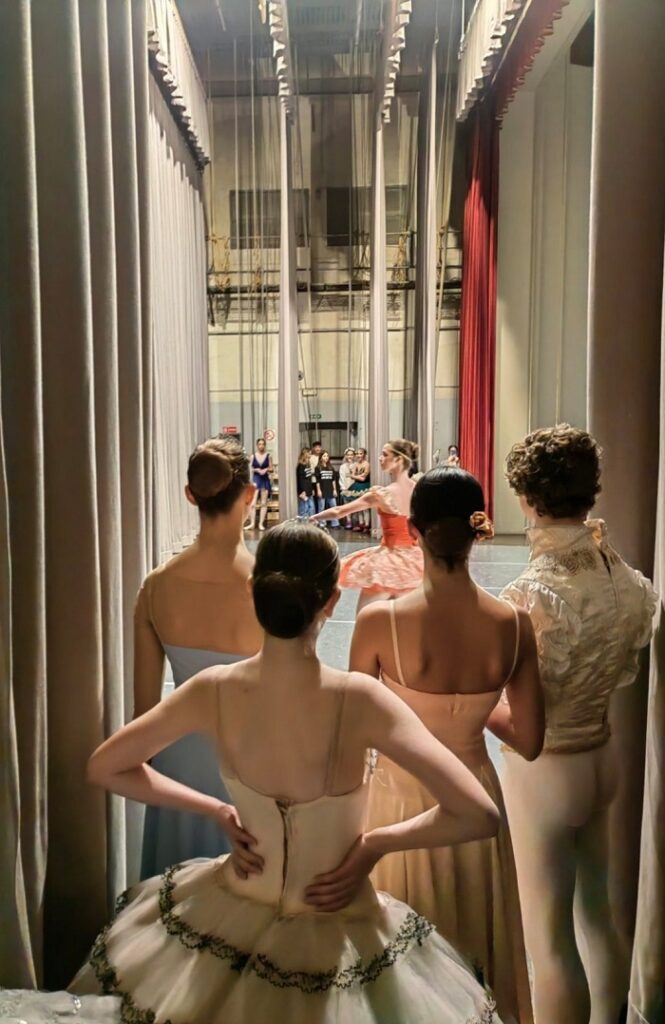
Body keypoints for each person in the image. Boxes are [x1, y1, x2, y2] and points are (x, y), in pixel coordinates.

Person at [71, 523, 503, 1024]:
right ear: (332, 601)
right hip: (341, 927)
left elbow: (106, 767)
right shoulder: (362, 700)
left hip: (229, 911)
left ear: (252, 591)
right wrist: (373, 845)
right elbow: (480, 813)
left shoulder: (213, 688)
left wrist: (214, 809)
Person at [350, 467, 543, 1024]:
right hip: (476, 799)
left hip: (398, 800)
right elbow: (530, 740)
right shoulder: (514, 625)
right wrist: (474, 711)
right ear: (478, 527)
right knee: (474, 945)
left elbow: (352, 735)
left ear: (413, 530)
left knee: (402, 965)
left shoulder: (380, 622)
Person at [500, 425, 657, 1024]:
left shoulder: (531, 593)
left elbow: (517, 706)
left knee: (547, 937)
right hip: (602, 758)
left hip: (547, 769)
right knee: (597, 915)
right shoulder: (628, 581)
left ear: (528, 500)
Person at [135, 437, 263, 879]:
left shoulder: (155, 586)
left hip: (178, 762)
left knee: (173, 892)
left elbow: (143, 712)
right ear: (250, 495)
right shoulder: (269, 586)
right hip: (251, 758)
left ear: (191, 496)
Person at [311, 439, 423, 612]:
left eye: (385, 454)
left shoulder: (381, 494)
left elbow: (339, 511)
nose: (380, 458)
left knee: (364, 616)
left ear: (398, 460)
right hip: (415, 563)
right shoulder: (419, 490)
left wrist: (313, 517)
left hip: (388, 563)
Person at [245, 437, 272, 532]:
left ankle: (261, 523)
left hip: (264, 479)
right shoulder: (253, 456)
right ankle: (252, 523)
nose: (261, 446)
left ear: (265, 445)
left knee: (263, 503)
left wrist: (266, 469)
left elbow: (271, 468)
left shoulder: (268, 456)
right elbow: (250, 468)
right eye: (259, 444)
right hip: (256, 479)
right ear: (257, 445)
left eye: (263, 444)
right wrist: (256, 469)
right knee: (253, 503)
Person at [314, 449, 340, 527]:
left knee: (334, 506)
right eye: (324, 456)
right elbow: (317, 481)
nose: (326, 457)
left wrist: (334, 490)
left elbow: (333, 480)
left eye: (327, 456)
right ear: (321, 457)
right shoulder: (318, 468)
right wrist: (318, 490)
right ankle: (322, 523)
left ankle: (335, 523)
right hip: (322, 489)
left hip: (330, 490)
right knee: (321, 507)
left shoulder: (331, 467)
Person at [349, 447, 371, 532]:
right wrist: (357, 476)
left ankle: (366, 524)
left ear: (364, 455)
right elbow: (352, 476)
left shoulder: (367, 464)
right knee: (358, 506)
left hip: (364, 486)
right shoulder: (355, 464)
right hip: (357, 486)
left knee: (365, 506)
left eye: (360, 453)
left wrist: (355, 476)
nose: (358, 455)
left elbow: (363, 478)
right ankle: (361, 523)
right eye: (357, 454)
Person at [337, 446, 357, 528]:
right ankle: (348, 521)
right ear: (345, 456)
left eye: (351, 455)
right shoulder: (342, 467)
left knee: (355, 505)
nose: (350, 456)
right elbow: (342, 478)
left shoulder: (356, 465)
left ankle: (355, 521)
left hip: (355, 487)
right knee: (347, 506)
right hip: (346, 487)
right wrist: (343, 488)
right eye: (348, 455)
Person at [296, 446, 315, 517]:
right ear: (305, 454)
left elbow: (309, 479)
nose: (310, 455)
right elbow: (300, 479)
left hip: (309, 489)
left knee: (311, 507)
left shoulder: (308, 465)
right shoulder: (301, 466)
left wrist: (312, 489)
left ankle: (310, 522)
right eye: (309, 453)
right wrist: (302, 491)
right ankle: (303, 522)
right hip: (304, 491)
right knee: (304, 508)